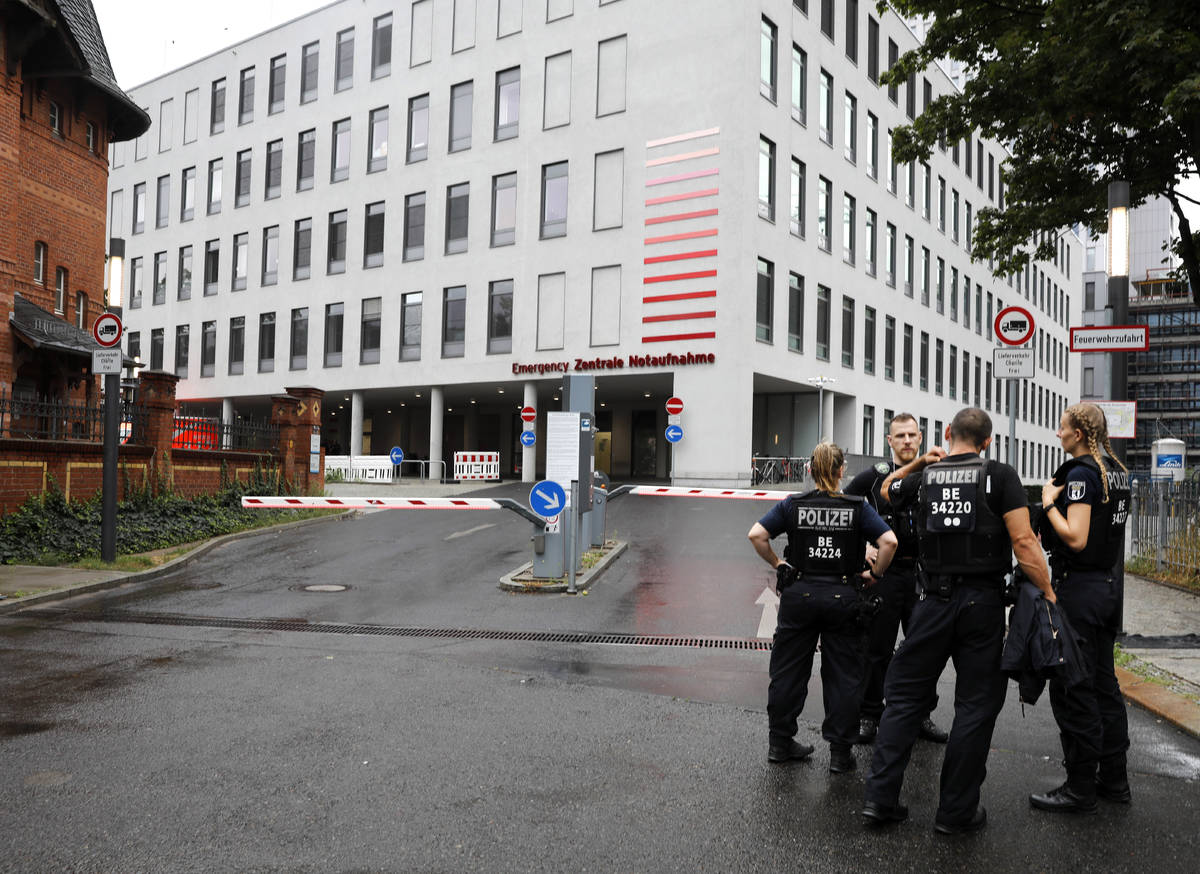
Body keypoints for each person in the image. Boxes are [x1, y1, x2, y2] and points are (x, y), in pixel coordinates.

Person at [861, 408, 1055, 834]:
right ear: (987, 442)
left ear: (947, 434)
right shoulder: (1000, 476)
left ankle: (879, 801)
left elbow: (887, 490)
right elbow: (1023, 542)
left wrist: (918, 462)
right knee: (975, 705)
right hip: (981, 606)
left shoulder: (924, 477)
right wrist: (1049, 593)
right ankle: (956, 812)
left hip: (930, 601)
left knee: (905, 699)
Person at [748, 442, 899, 773]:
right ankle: (840, 755)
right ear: (841, 470)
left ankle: (780, 743)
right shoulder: (856, 507)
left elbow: (756, 534)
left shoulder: (793, 505)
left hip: (798, 595)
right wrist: (875, 574)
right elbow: (889, 542)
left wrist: (779, 563)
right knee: (844, 676)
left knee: (787, 671)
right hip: (843, 597)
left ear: (811, 470)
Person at [1030, 403, 1132, 813]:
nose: (1058, 434)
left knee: (1075, 688)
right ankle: (1114, 781)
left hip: (1080, 592)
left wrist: (1048, 503)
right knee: (1106, 687)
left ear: (1078, 434)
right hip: (1107, 591)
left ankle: (1079, 787)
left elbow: (1074, 537)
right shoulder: (1115, 472)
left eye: (1062, 428)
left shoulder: (1081, 475)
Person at [844, 413, 949, 746]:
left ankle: (920, 715)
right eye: (899, 436)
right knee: (877, 649)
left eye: (911, 435)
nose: (906, 441)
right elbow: (844, 507)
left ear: (920, 439)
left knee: (923, 649)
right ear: (889, 441)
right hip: (885, 576)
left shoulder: (935, 476)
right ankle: (869, 714)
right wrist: (862, 547)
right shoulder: (875, 478)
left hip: (923, 575)